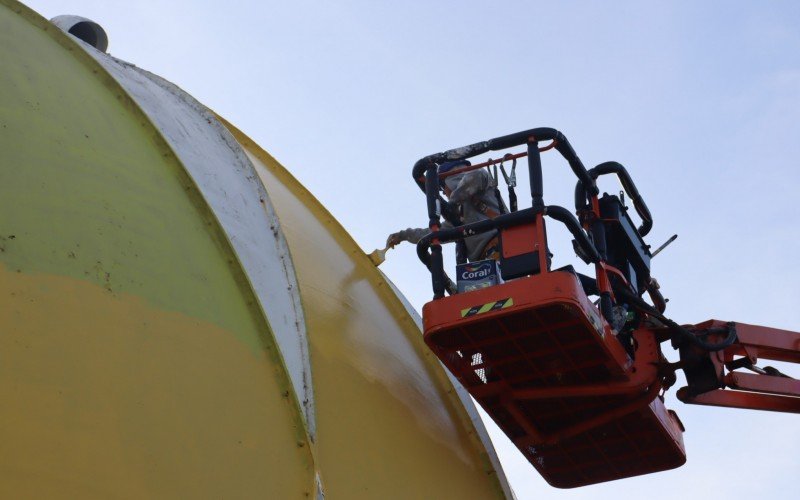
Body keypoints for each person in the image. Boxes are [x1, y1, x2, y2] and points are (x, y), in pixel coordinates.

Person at [386, 160, 507, 261]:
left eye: (443, 187)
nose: (443, 192)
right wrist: (403, 236)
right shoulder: (457, 217)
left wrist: (453, 201)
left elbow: (476, 175)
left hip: (503, 248)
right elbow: (430, 233)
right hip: (484, 264)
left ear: (452, 181)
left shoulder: (482, 183)